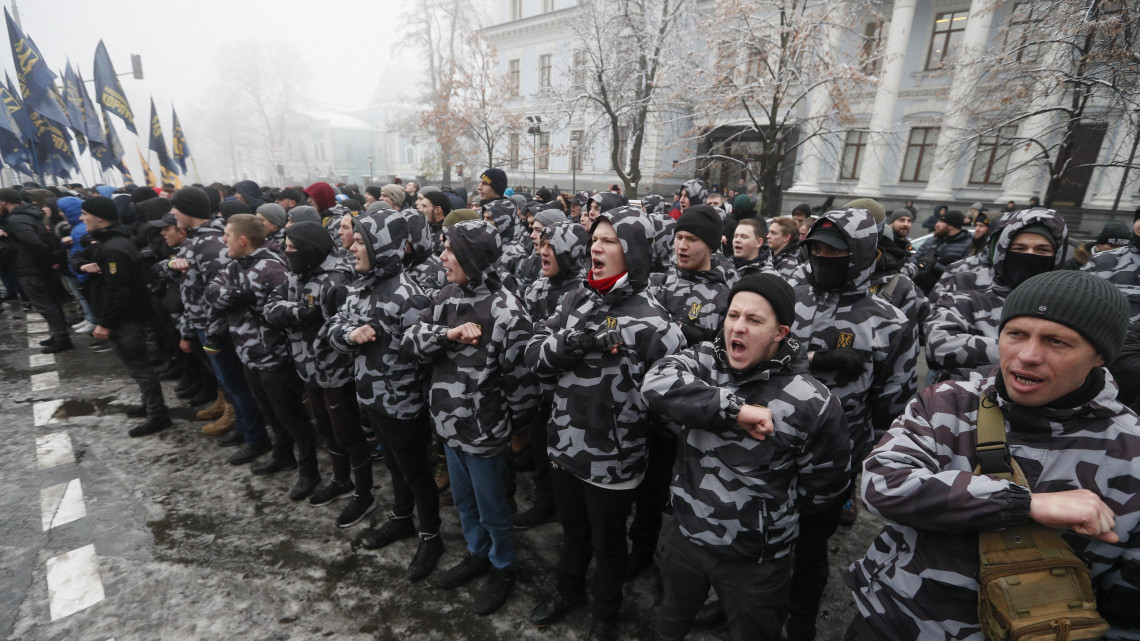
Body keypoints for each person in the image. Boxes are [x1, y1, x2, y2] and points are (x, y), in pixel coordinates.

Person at [846, 270, 1140, 641]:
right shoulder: (947, 402)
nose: (1028, 356)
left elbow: (1127, 610)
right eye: (1016, 334)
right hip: (892, 622)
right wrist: (1024, 504)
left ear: (1100, 354)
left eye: (1057, 342)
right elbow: (881, 484)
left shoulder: (1131, 453)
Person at [642, 274, 851, 641]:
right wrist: (732, 409)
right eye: (732, 315)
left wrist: (763, 520)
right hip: (685, 535)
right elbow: (655, 383)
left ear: (780, 332)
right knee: (670, 624)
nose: (737, 327)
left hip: (755, 559)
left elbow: (822, 490)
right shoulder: (705, 361)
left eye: (754, 320)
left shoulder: (813, 402)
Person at [525, 205, 684, 641]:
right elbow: (533, 357)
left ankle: (605, 617)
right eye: (595, 238)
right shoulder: (576, 298)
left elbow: (673, 403)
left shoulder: (656, 322)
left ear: (632, 251)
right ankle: (568, 591)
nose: (596, 245)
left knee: (610, 545)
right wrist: (573, 343)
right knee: (572, 530)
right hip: (564, 447)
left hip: (613, 463)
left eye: (609, 240)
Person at [788, 207, 918, 641]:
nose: (823, 257)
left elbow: (894, 401)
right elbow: (742, 353)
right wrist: (810, 359)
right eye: (817, 248)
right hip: (768, 443)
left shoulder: (889, 321)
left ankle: (800, 620)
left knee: (809, 547)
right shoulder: (785, 296)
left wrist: (864, 456)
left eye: (835, 251)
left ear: (862, 256)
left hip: (832, 458)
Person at [402, 219, 540, 615]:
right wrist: (447, 335)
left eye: (450, 250)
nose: (442, 256)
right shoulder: (445, 295)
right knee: (463, 502)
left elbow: (524, 387)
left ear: (472, 257)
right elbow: (410, 342)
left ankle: (502, 565)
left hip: (484, 435)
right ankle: (478, 553)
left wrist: (502, 426)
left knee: (494, 508)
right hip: (447, 427)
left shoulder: (508, 311)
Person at [324, 210, 442, 582]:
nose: (352, 247)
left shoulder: (408, 298)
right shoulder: (362, 284)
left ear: (382, 247)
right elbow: (334, 325)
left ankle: (431, 535)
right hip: (371, 397)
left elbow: (429, 358)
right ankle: (402, 518)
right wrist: (349, 335)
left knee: (417, 473)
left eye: (361, 242)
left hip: (403, 405)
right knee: (392, 465)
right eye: (355, 240)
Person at [262, 222, 372, 525]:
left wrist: (300, 315)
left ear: (308, 249)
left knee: (347, 433)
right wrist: (299, 313)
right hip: (306, 368)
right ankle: (340, 480)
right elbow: (270, 308)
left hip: (336, 374)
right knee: (324, 428)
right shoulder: (297, 274)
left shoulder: (337, 281)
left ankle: (364, 493)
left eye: (292, 248)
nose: (286, 253)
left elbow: (343, 327)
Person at [205, 214, 322, 499]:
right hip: (248, 354)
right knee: (270, 413)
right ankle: (283, 454)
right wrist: (239, 295)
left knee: (291, 417)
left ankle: (309, 471)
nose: (224, 240)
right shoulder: (235, 265)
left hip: (275, 357)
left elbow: (287, 311)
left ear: (242, 240)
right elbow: (212, 292)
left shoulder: (272, 268)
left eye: (228, 235)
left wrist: (240, 297)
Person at [165, 188, 270, 465]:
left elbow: (218, 293)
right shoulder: (199, 240)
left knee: (236, 384)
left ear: (187, 210)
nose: (173, 214)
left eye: (176, 208)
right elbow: (194, 288)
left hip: (217, 327)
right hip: (204, 324)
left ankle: (254, 437)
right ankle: (243, 429)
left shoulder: (210, 245)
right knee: (229, 383)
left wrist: (212, 332)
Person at [925, 208, 1069, 383]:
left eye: (1042, 250)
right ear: (1003, 252)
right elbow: (938, 344)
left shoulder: (1067, 302)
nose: (1030, 256)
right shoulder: (964, 293)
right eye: (1020, 248)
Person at [72, 196, 171, 436]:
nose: (81, 218)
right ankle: (150, 405)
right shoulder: (110, 241)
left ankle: (158, 415)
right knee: (137, 367)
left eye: (85, 213)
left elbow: (118, 290)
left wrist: (104, 323)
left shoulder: (114, 248)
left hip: (125, 319)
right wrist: (83, 266)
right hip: (124, 317)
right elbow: (78, 258)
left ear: (100, 218)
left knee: (140, 368)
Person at [515, 221, 590, 528]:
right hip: (538, 393)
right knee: (540, 450)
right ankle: (545, 502)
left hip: (571, 397)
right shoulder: (535, 289)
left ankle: (571, 512)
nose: (543, 251)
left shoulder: (585, 294)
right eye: (542, 245)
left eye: (551, 246)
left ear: (571, 253)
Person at [0, 188, 72, 352]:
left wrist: (47, 261)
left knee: (45, 304)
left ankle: (62, 338)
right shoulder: (24, 216)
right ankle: (58, 335)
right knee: (50, 303)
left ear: (5, 202)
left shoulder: (16, 220)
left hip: (30, 268)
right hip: (36, 266)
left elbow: (34, 242)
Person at [910, 209, 971, 294]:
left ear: (951, 226)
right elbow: (914, 259)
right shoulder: (932, 240)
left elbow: (962, 274)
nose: (937, 224)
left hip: (944, 294)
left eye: (942, 222)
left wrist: (936, 265)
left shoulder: (967, 245)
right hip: (918, 290)